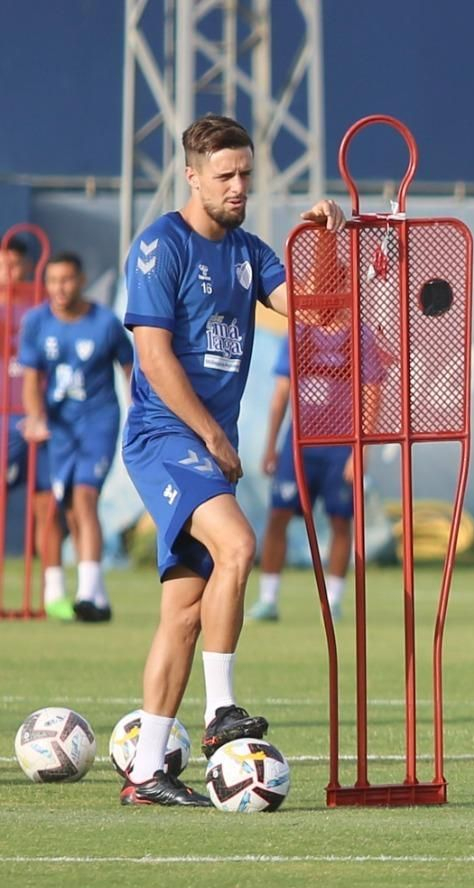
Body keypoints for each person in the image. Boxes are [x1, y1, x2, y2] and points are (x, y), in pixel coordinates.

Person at [119, 113, 344, 807]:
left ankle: (147, 772)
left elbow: (317, 311)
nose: (240, 186)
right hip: (165, 438)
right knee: (241, 544)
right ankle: (220, 714)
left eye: (247, 173)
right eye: (225, 175)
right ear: (192, 176)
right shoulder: (162, 246)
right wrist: (215, 438)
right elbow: (154, 357)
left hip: (207, 448)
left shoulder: (249, 252)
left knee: (184, 613)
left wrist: (325, 245)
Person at [250, 255, 384, 625]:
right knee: (279, 515)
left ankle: (335, 599)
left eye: (324, 284)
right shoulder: (299, 333)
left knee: (342, 521)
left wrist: (361, 451)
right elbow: (281, 394)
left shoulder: (359, 334)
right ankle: (269, 599)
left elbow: (371, 392)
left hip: (342, 443)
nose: (315, 292)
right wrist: (270, 445)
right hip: (300, 443)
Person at [17, 252, 135, 622]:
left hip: (98, 422)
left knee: (85, 498)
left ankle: (86, 592)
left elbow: (131, 367)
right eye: (53, 281)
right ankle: (59, 594)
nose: (59, 288)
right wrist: (36, 417)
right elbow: (32, 380)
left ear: (81, 280)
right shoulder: (36, 322)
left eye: (66, 280)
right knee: (53, 506)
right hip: (57, 425)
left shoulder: (104, 323)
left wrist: (141, 410)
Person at [2, 238, 70, 619]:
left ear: (29, 266)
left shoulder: (42, 310)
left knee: (47, 505)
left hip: (41, 416)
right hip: (2, 415)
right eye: (3, 265)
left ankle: (54, 595)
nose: (10, 272)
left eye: (16, 265)